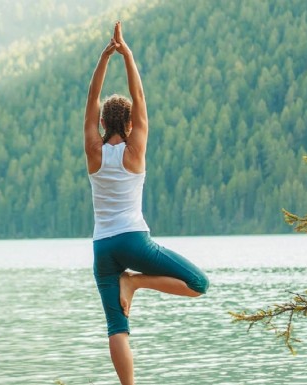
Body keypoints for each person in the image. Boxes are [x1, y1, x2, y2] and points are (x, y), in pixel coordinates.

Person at [84, 21, 210, 385]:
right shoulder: (134, 151)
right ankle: (136, 283)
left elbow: (92, 98)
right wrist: (128, 54)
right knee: (198, 283)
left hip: (103, 246)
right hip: (134, 239)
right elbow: (139, 98)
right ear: (130, 123)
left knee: (116, 327)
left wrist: (104, 58)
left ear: (103, 122)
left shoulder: (93, 152)